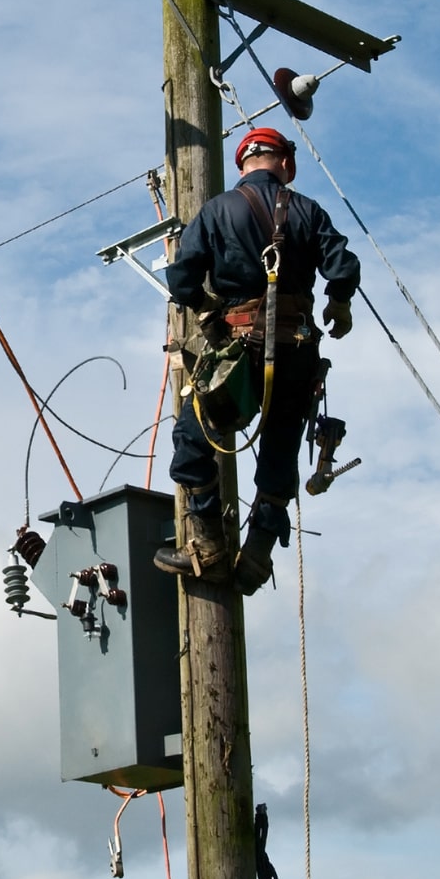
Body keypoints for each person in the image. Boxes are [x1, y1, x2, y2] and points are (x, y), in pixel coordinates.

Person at [154, 125, 360, 594]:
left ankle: (206, 546)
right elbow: (341, 265)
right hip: (296, 352)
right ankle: (258, 554)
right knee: (280, 450)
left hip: (239, 353)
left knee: (193, 439)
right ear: (285, 164)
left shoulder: (217, 210)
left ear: (243, 165)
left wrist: (207, 309)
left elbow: (182, 277)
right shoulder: (307, 210)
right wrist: (339, 302)